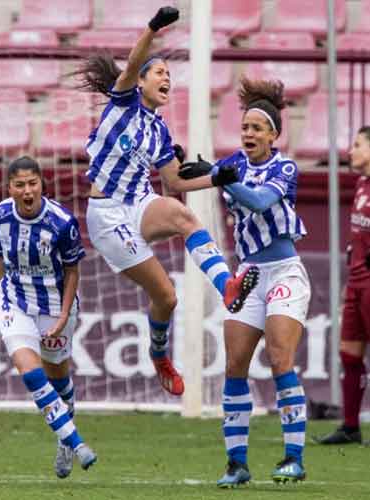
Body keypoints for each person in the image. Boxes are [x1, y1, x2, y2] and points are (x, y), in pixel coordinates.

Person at [72, 5, 259, 397]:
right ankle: (159, 356)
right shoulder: (122, 102)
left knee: (183, 215)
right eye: (160, 72)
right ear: (139, 81)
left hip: (139, 203)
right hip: (107, 216)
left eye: (170, 75)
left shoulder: (159, 132)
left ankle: (226, 286)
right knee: (167, 298)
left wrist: (218, 178)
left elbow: (175, 180)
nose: (166, 79)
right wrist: (153, 27)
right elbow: (134, 62)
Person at [178, 76, 310, 486]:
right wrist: (170, 160)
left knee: (279, 358)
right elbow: (178, 183)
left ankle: (293, 457)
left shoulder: (283, 167)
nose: (248, 133)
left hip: (285, 272)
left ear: (273, 134)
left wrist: (220, 174)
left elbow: (260, 201)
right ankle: (237, 464)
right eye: (245, 127)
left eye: (257, 128)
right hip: (249, 275)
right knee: (235, 365)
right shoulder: (232, 165)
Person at [0, 156, 97, 478]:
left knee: (59, 378)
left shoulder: (62, 222)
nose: (28, 191)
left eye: (33, 183)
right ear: (9, 188)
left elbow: (72, 271)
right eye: (20, 185)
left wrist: (64, 315)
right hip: (15, 301)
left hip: (54, 306)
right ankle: (74, 440)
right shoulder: (0, 216)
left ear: (42, 185)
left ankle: (64, 434)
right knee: (29, 370)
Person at [316, 126, 370, 446]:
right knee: (349, 353)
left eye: (358, 144)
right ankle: (350, 426)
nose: (351, 150)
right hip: (356, 282)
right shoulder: (362, 184)